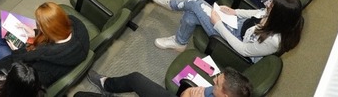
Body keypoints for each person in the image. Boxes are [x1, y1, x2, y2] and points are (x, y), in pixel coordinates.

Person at [150, 0, 304, 59]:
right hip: (238, 24)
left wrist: (218, 25)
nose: (268, 5)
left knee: (196, 2)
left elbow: (243, 50)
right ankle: (179, 42)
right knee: (191, 15)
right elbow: (257, 13)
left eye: (271, 7)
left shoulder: (273, 40)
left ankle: (171, 3)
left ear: (279, 16)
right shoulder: (277, 18)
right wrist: (235, 12)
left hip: (234, 38)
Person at [86, 66, 252, 97]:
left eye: (217, 83)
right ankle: (106, 85)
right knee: (135, 79)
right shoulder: (221, 91)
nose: (214, 79)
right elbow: (187, 92)